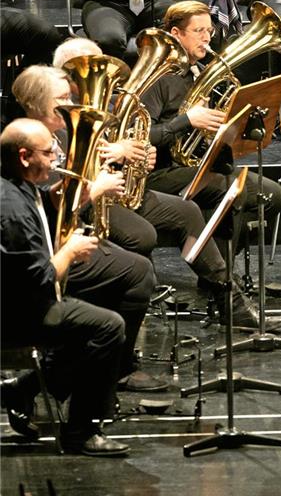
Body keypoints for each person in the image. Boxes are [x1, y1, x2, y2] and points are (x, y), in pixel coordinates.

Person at [49, 37, 265, 330]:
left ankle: (229, 300)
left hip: (123, 189)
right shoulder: (57, 112)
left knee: (187, 212)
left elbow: (136, 140)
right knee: (143, 235)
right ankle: (127, 306)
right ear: (68, 74)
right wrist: (115, 153)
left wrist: (139, 154)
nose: (103, 75)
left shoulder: (112, 102)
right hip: (91, 200)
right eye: (93, 69)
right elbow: (65, 169)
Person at [11, 64, 166, 392]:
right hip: (50, 251)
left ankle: (96, 365)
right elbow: (45, 213)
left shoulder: (60, 132)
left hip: (66, 236)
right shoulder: (27, 141)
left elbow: (53, 196)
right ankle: (112, 367)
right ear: (38, 104)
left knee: (136, 266)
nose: (70, 104)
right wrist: (96, 188)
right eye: (62, 98)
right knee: (138, 273)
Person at [1, 118, 129, 456]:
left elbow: (42, 205)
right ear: (25, 156)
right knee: (108, 326)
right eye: (49, 152)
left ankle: (23, 388)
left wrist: (63, 195)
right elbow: (39, 279)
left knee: (92, 319)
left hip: (23, 300)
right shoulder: (10, 210)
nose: (57, 156)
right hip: (15, 315)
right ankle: (81, 432)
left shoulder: (16, 185)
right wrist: (70, 251)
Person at [141, 0, 281, 257]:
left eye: (210, 31)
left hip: (200, 167)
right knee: (234, 191)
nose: (207, 38)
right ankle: (217, 276)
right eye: (199, 32)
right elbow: (142, 136)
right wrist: (187, 121)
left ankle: (219, 264)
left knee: (271, 194)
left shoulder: (202, 73)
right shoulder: (157, 77)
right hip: (161, 172)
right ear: (176, 34)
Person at [78, 0, 175, 60]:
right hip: (105, 3)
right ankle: (116, 81)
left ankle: (171, 81)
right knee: (109, 38)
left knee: (181, 20)